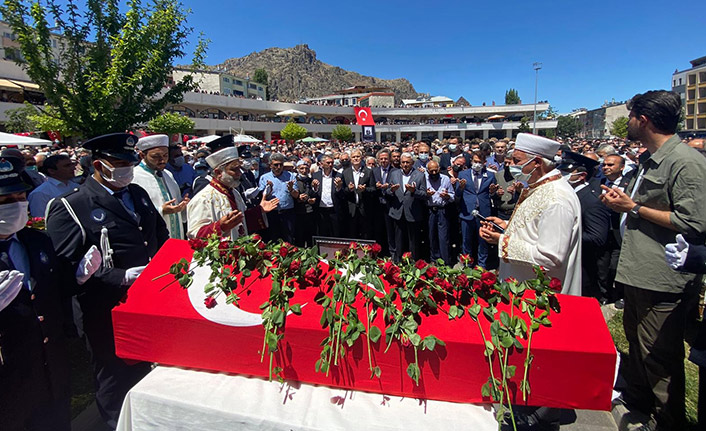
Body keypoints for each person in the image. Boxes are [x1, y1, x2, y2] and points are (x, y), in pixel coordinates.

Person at [46, 133, 169, 429]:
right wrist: (120, 276)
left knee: (150, 370)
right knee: (115, 376)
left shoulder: (136, 193)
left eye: (130, 161)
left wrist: (164, 264)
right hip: (106, 307)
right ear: (98, 164)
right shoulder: (72, 205)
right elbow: (68, 268)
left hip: (148, 298)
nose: (127, 167)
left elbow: (158, 235)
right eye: (119, 162)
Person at [600, 90, 706, 431]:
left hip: (662, 276)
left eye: (630, 116)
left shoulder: (686, 163)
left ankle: (667, 422)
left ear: (642, 120)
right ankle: (639, 404)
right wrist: (624, 202)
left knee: (659, 355)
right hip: (638, 270)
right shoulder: (650, 158)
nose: (628, 122)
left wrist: (634, 209)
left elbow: (695, 222)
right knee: (638, 344)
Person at [0, 155, 97, 431]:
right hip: (7, 372)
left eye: (20, 198)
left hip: (49, 369)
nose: (17, 206)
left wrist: (78, 277)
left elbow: (53, 291)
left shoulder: (36, 240)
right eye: (6, 201)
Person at [480, 133, 582, 296]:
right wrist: (506, 226)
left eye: (516, 160)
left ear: (537, 162)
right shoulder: (537, 186)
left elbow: (551, 258)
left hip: (538, 296)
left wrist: (502, 241)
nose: (511, 164)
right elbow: (533, 228)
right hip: (520, 287)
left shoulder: (557, 199)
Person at [187, 145, 278, 240]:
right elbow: (194, 235)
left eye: (239, 168)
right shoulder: (203, 199)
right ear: (218, 173)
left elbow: (241, 222)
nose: (239, 173)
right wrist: (220, 227)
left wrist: (259, 210)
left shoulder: (234, 192)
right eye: (234, 169)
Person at [557, 151, 611, 299]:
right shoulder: (570, 195)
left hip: (585, 268)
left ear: (582, 176)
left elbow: (597, 237)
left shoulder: (591, 201)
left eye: (567, 172)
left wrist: (565, 235)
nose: (562, 175)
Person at [132, 135, 189, 239]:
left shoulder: (168, 174)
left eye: (165, 155)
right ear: (141, 155)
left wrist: (183, 206)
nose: (162, 160)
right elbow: (133, 213)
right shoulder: (133, 177)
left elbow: (178, 207)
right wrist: (161, 211)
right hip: (153, 238)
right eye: (156, 156)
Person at [458, 151, 497, 269]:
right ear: (471, 161)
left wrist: (493, 192)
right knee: (466, 240)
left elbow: (493, 195)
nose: (477, 164)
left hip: (483, 213)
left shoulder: (490, 176)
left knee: (483, 240)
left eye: (480, 162)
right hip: (467, 211)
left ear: (484, 163)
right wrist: (461, 187)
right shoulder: (463, 174)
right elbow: (457, 194)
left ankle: (482, 265)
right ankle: (467, 263)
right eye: (475, 162)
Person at [386, 152, 427, 261]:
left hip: (412, 212)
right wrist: (391, 190)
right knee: (398, 239)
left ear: (412, 163)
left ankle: (413, 262)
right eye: (403, 162)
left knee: (413, 241)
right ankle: (398, 261)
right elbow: (387, 191)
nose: (405, 164)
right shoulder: (394, 174)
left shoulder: (420, 175)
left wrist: (414, 191)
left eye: (407, 162)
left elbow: (424, 194)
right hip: (397, 211)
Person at [258, 153, 299, 243]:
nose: (279, 167)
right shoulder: (264, 178)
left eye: (281, 164)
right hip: (272, 213)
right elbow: (262, 197)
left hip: (287, 213)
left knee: (289, 239)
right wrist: (269, 190)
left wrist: (291, 189)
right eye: (276, 165)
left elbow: (296, 195)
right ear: (270, 165)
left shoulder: (290, 176)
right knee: (273, 239)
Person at [425, 160, 454, 263]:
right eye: (431, 171)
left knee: (443, 237)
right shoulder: (425, 179)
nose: (433, 173)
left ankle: (445, 261)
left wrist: (447, 196)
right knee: (432, 236)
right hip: (430, 211)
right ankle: (434, 259)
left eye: (435, 171)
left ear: (439, 169)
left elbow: (452, 195)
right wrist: (426, 194)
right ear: (427, 171)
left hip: (442, 210)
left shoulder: (445, 179)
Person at [341, 149, 375, 239]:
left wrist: (365, 190)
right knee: (352, 233)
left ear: (362, 158)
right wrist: (349, 189)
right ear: (350, 159)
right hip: (351, 208)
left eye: (357, 156)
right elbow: (342, 191)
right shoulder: (345, 172)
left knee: (366, 234)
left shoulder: (368, 171)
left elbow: (373, 189)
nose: (356, 158)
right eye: (353, 157)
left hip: (364, 207)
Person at [310, 154, 344, 238]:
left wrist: (339, 188)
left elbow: (343, 194)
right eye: (328, 163)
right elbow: (312, 193)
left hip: (333, 209)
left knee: (335, 233)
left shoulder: (338, 175)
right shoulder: (315, 175)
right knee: (322, 233)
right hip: (320, 209)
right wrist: (314, 188)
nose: (330, 165)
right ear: (321, 164)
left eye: (332, 163)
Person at [371, 149, 397, 257]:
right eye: (381, 159)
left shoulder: (395, 171)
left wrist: (389, 187)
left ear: (390, 159)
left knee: (391, 231)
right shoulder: (374, 171)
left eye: (385, 158)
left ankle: (393, 254)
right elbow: (371, 187)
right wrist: (376, 188)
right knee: (378, 231)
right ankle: (379, 254)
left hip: (390, 205)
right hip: (378, 206)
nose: (383, 161)